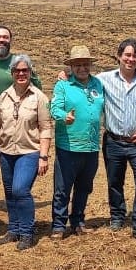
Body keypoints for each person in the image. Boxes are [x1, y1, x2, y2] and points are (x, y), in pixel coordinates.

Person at [96, 38, 136, 243]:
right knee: (114, 181)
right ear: (119, 56)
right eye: (127, 55)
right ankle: (117, 216)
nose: (130, 59)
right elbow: (83, 81)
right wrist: (65, 76)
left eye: (135, 56)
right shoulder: (103, 79)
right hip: (114, 141)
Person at [0, 25, 41, 222]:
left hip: (14, 125)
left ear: (10, 40)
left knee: (12, 170)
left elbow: (37, 86)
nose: (1, 40)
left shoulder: (19, 63)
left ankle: (19, 206)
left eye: (5, 37)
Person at [0, 55, 52, 250]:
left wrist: (43, 156)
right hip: (6, 151)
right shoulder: (3, 96)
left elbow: (45, 127)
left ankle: (27, 232)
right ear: (11, 73)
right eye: (17, 71)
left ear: (30, 72)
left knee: (20, 189)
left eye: (24, 70)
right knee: (9, 192)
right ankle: (14, 229)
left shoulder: (39, 97)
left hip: (30, 151)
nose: (21, 74)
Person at [49, 45, 105, 238]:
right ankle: (58, 224)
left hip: (91, 146)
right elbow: (53, 108)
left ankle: (78, 221)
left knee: (84, 186)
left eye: (85, 64)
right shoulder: (63, 85)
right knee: (63, 187)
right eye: (78, 65)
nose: (82, 68)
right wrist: (64, 116)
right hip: (68, 145)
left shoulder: (98, 84)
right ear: (71, 67)